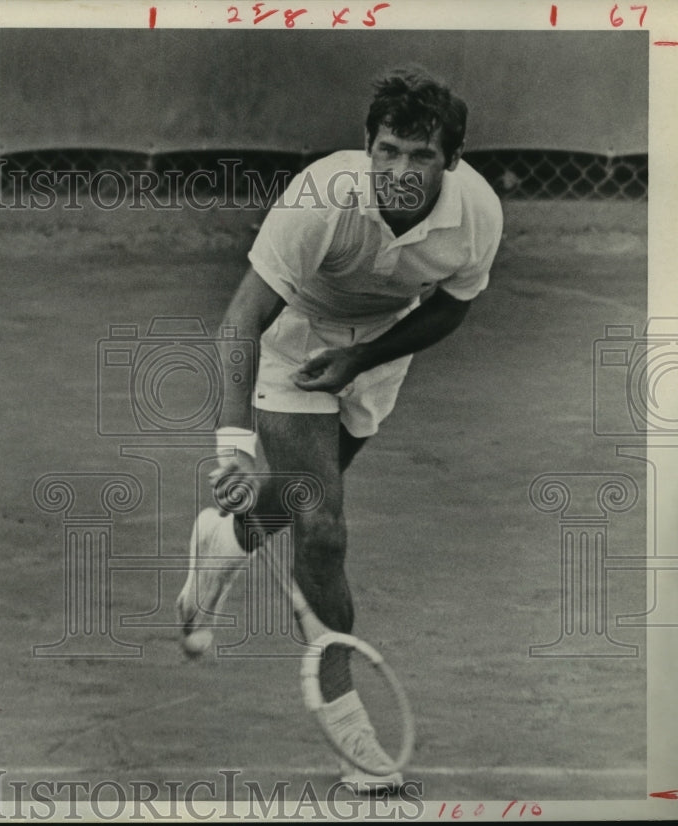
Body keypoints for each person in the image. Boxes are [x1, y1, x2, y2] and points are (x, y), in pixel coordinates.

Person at [176, 65, 503, 790]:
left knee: (295, 498)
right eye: (387, 149)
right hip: (292, 342)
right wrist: (232, 447)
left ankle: (223, 539)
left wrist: (363, 357)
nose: (400, 170)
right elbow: (240, 322)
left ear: (451, 159)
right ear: (366, 145)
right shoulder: (320, 199)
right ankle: (354, 737)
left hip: (377, 354)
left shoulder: (477, 214)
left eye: (421, 156)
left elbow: (451, 307)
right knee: (322, 530)